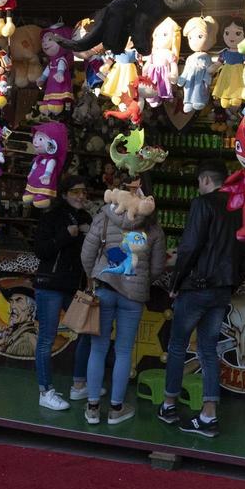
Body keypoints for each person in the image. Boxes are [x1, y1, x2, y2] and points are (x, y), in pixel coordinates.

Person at [165, 161, 245, 437]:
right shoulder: (239, 207)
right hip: (222, 289)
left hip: (197, 285)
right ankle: (208, 413)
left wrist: (175, 282)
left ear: (204, 181)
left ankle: (169, 404)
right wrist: (232, 283)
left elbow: (190, 245)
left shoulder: (203, 204)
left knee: (178, 346)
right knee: (208, 350)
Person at [79, 179, 166, 425]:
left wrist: (94, 274)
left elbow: (87, 254)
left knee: (98, 349)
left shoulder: (104, 217)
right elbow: (158, 268)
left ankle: (93, 407)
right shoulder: (154, 228)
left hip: (104, 287)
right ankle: (116, 408)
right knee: (124, 351)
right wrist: (140, 280)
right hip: (134, 296)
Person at [32, 176, 93, 410]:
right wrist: (66, 235)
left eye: (84, 192)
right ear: (65, 194)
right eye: (76, 191)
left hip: (73, 286)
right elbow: (41, 250)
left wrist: (89, 233)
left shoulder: (87, 218)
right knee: (47, 339)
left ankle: (79, 385)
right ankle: (45, 391)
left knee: (86, 331)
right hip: (50, 284)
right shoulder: (52, 217)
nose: (81, 196)